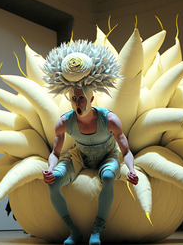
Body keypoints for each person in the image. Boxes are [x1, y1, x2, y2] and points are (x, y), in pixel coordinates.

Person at [41, 40, 138, 245]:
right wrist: (50, 169)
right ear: (70, 100)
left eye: (82, 98)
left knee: (110, 176)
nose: (78, 102)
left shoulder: (109, 119)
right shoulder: (64, 122)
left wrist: (131, 169)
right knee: (53, 184)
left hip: (107, 156)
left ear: (91, 99)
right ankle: (73, 231)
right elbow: (55, 153)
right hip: (79, 156)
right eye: (74, 99)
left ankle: (97, 230)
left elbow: (126, 150)